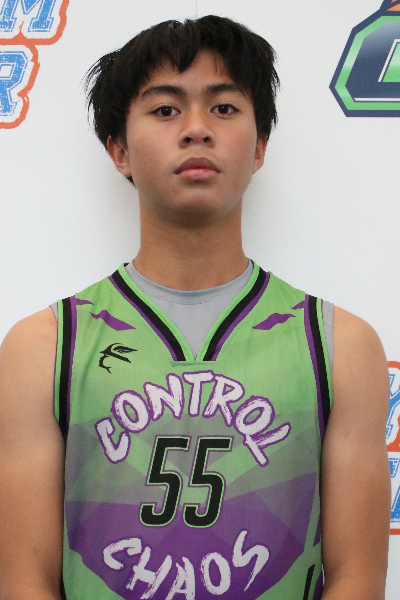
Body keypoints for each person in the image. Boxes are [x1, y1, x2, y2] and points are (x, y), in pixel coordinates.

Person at [0, 15, 391, 600]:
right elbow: (25, 580)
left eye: (224, 108)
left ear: (259, 147)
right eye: (165, 109)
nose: (197, 129)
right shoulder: (44, 346)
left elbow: (356, 577)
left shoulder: (338, 344)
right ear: (119, 150)